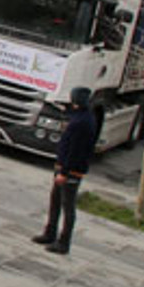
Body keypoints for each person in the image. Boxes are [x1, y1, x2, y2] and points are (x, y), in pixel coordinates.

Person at [31, 87, 99, 255]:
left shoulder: (81, 123)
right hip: (65, 167)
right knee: (55, 201)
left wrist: (65, 172)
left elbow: (75, 149)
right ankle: (50, 232)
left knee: (67, 205)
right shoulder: (83, 117)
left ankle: (64, 242)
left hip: (71, 170)